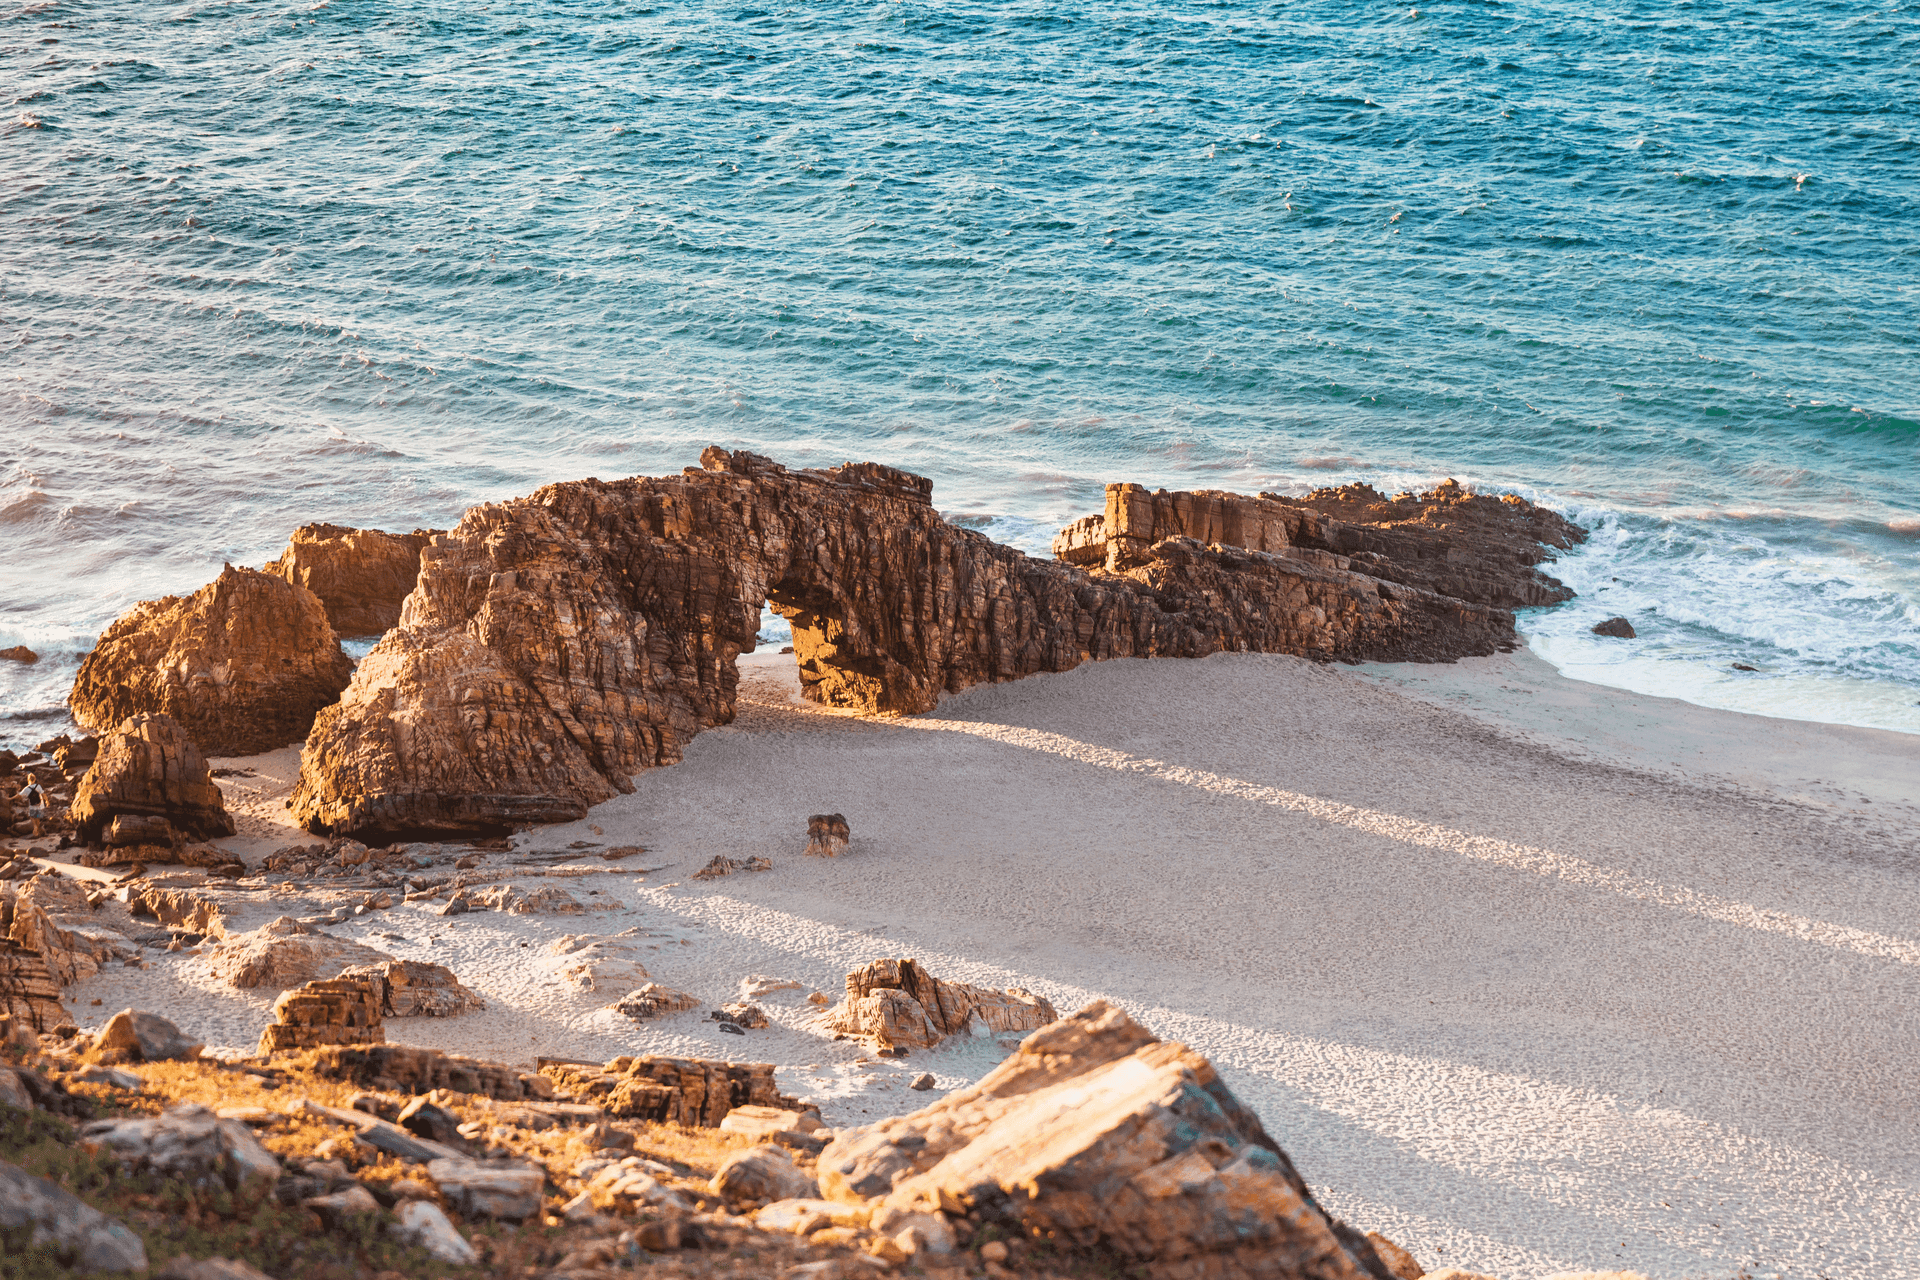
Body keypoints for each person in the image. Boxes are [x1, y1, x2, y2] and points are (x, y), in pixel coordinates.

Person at [21, 771, 46, 838]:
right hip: (38, 804)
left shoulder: (27, 788)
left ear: (28, 780)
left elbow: (19, 795)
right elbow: (43, 794)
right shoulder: (38, 786)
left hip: (32, 805)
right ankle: (37, 830)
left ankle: (35, 827)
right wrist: (47, 801)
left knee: (32, 817)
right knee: (37, 818)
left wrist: (10, 799)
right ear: (35, 779)